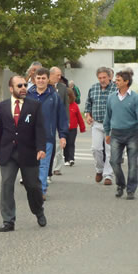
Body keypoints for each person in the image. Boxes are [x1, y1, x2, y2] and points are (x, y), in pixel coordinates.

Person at [0, 75, 47, 232]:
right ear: (11, 89)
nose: (23, 88)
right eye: (19, 86)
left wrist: (41, 148)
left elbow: (40, 129)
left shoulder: (34, 106)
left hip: (29, 152)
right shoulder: (2, 107)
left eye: (24, 85)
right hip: (8, 152)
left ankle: (38, 211)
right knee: (6, 184)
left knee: (33, 186)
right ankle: (8, 220)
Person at [27, 68, 68, 200]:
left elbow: (61, 116)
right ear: (34, 80)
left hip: (47, 136)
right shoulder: (28, 94)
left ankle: (41, 189)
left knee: (44, 164)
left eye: (43, 78)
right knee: (32, 164)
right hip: (30, 137)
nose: (40, 81)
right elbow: (23, 115)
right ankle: (33, 188)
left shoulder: (54, 96)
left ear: (47, 79)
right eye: (38, 78)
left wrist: (62, 135)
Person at [104, 71, 138, 200]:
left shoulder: (134, 98)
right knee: (114, 161)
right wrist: (107, 132)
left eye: (119, 80)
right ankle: (121, 185)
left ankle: (131, 189)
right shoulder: (111, 97)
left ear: (126, 82)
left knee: (133, 163)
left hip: (132, 133)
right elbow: (108, 116)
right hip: (116, 133)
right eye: (116, 79)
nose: (116, 82)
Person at [84, 67, 117, 185]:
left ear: (109, 77)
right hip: (97, 123)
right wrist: (87, 115)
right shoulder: (93, 88)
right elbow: (88, 104)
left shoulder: (116, 88)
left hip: (112, 124)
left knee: (110, 150)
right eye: (100, 78)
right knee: (96, 148)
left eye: (104, 77)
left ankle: (108, 175)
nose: (102, 80)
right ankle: (99, 169)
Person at [48, 66, 69, 177]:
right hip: (48, 121)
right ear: (51, 75)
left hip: (59, 120)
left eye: (60, 75)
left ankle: (57, 167)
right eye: (58, 75)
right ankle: (48, 168)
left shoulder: (63, 87)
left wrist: (66, 121)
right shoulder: (44, 86)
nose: (60, 77)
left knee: (59, 145)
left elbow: (66, 105)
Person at [64, 88, 85, 166]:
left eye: (68, 97)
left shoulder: (75, 105)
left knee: (71, 143)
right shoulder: (62, 105)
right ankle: (66, 159)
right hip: (64, 128)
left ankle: (71, 159)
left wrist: (82, 127)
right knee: (65, 144)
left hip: (73, 128)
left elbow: (79, 117)